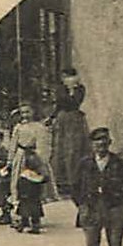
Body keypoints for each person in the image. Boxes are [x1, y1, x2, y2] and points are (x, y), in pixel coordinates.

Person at [49, 69, 91, 197]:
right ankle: (63, 182)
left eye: (70, 76)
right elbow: (62, 103)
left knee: (76, 149)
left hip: (75, 120)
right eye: (65, 77)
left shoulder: (80, 89)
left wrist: (72, 90)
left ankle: (75, 180)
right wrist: (52, 117)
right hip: (63, 120)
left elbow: (74, 102)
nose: (67, 79)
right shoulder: (60, 89)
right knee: (62, 149)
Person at [14, 142, 50, 233]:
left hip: (30, 189)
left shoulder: (31, 160)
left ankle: (32, 224)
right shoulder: (34, 159)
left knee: (29, 207)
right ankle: (28, 223)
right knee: (30, 207)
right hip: (31, 190)